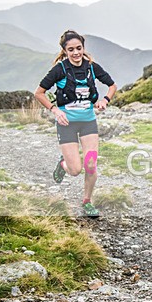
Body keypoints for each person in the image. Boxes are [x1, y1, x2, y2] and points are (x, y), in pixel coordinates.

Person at [34, 30, 117, 217]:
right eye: (71, 50)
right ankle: (64, 164)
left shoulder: (92, 67)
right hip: (67, 125)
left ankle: (87, 201)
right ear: (65, 51)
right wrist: (55, 110)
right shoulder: (59, 70)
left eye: (79, 48)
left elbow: (112, 86)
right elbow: (39, 93)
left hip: (88, 123)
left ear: (83, 47)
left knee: (91, 165)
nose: (76, 53)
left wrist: (105, 100)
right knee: (75, 170)